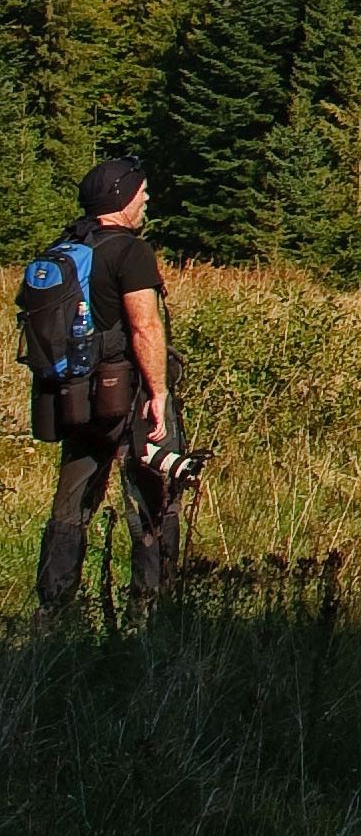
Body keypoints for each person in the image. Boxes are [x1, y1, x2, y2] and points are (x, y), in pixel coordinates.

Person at [35, 157, 189, 621]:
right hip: (129, 398)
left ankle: (54, 611)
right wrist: (158, 394)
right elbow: (144, 326)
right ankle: (151, 614)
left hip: (75, 397)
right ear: (121, 197)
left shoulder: (66, 246)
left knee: (70, 505)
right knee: (153, 500)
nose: (147, 198)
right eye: (141, 191)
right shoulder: (130, 251)